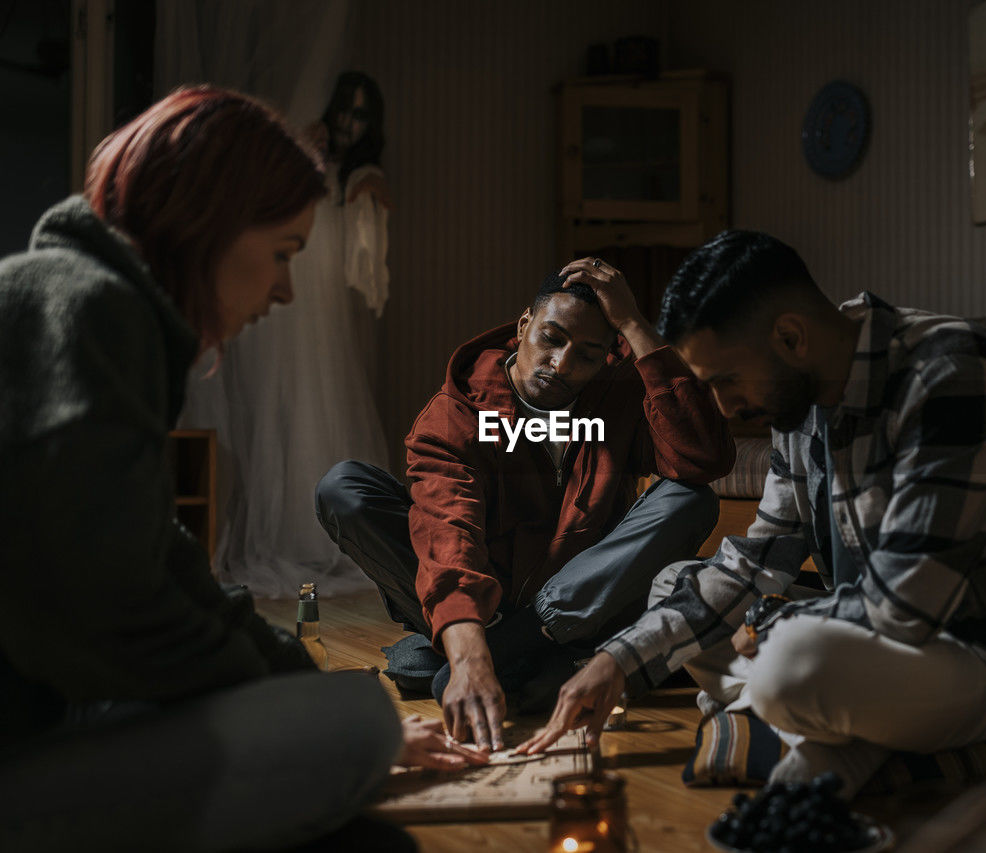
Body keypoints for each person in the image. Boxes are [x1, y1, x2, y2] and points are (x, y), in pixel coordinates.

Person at [0, 86, 483, 853]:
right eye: (284, 253)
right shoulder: (93, 310)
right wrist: (317, 716)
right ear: (209, 221)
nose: (287, 290)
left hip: (36, 714)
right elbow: (109, 609)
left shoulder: (66, 294)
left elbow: (161, 565)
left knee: (355, 783)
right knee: (358, 724)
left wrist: (295, 688)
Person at [519, 230, 986, 796]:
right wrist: (616, 660)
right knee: (674, 590)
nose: (724, 407)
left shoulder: (951, 376)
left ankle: (827, 740)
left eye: (727, 380)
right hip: (893, 658)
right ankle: (840, 746)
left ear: (790, 337)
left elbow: (904, 606)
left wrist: (767, 628)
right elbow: (761, 554)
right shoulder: (803, 396)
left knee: (788, 664)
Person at [316, 257, 736, 751]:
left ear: (609, 355)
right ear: (523, 326)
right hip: (485, 601)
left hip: (581, 602)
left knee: (690, 498)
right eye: (552, 339)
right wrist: (471, 649)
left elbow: (703, 459)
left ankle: (503, 654)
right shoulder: (458, 414)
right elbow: (449, 531)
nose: (561, 364)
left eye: (587, 353)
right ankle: (520, 659)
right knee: (343, 487)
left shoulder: (617, 395)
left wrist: (636, 326)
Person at [182, 71, 391, 599]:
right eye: (344, 109)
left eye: (361, 115)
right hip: (289, 314)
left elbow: (367, 271)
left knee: (317, 405)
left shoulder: (364, 176)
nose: (348, 122)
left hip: (323, 313)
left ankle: (325, 532)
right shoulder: (302, 163)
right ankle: (283, 528)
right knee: (272, 408)